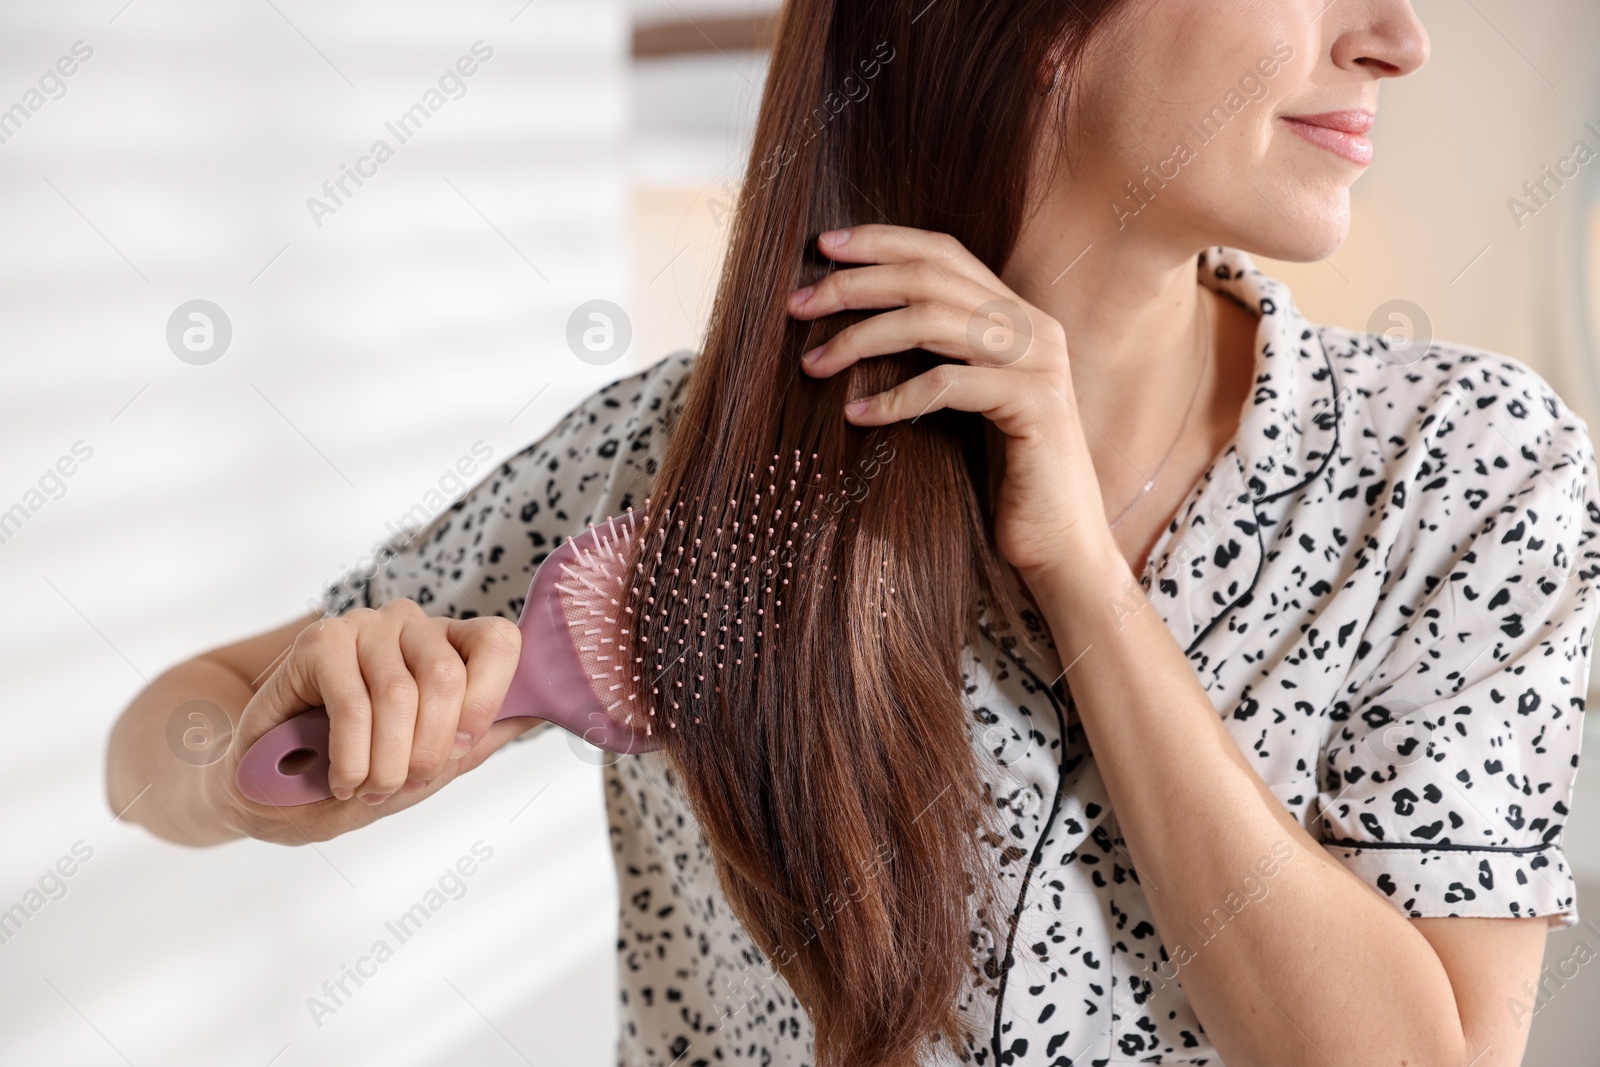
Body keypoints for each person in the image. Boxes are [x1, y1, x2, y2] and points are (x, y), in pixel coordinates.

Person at [107, 1, 1599, 1064]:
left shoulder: (1462, 472)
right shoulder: (678, 464)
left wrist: (1081, 570)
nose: (1398, 35)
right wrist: (270, 767)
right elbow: (153, 748)